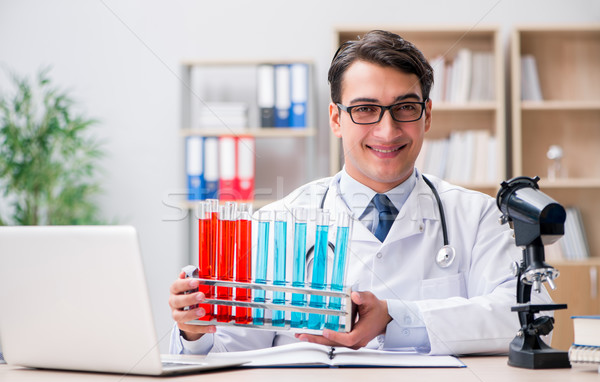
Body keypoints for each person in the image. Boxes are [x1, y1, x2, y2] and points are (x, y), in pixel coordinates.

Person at [169, 30, 552, 356]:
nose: (387, 131)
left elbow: (532, 318)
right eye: (366, 109)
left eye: (405, 107)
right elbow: (225, 351)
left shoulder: (476, 215)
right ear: (336, 119)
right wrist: (194, 332)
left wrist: (397, 316)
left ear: (427, 115)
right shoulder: (276, 222)